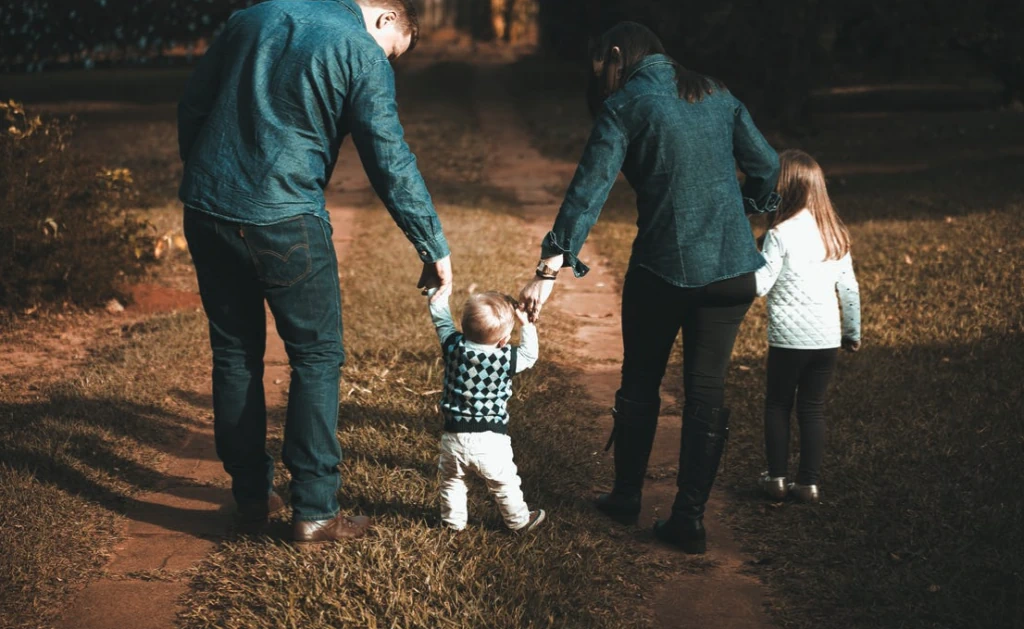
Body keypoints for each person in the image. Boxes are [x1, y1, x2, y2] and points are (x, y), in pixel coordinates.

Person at [177, 0, 453, 544]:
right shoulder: (361, 51)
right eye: (392, 53)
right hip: (285, 219)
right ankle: (316, 509)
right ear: (386, 19)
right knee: (317, 357)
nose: (386, 62)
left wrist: (207, 179)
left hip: (207, 210)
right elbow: (388, 157)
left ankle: (251, 497)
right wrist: (431, 244)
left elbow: (193, 105)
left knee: (234, 353)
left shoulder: (253, 16)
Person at [519, 22, 780, 554]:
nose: (603, 81)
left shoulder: (625, 105)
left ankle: (625, 498)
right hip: (732, 272)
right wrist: (745, 209)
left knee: (640, 381)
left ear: (617, 55)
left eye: (602, 69)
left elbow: (587, 193)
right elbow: (769, 166)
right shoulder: (716, 91)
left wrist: (547, 271)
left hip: (663, 271)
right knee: (706, 391)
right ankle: (689, 520)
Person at [754, 149, 862, 505]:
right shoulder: (835, 235)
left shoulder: (779, 234)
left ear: (783, 189)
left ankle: (776, 479)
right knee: (812, 408)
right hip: (826, 340)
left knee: (778, 405)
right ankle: (808, 484)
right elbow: (849, 290)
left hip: (788, 341)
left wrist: (745, 263)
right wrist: (852, 333)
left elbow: (760, 285)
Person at [428, 289, 545, 532]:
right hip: (491, 440)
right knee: (504, 483)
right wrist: (526, 325)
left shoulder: (453, 346)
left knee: (452, 481)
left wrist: (437, 291)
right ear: (503, 340)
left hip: (453, 436)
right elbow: (530, 355)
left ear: (464, 327)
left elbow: (441, 320)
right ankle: (519, 521)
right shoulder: (506, 358)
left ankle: (452, 523)